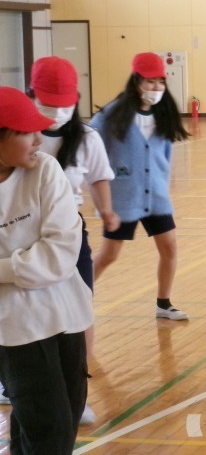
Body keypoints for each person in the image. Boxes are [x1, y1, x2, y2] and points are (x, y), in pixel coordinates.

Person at [0, 86, 94, 454]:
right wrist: (26, 263)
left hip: (65, 314)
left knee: (63, 421)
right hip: (14, 329)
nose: (39, 140)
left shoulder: (45, 170)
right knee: (48, 432)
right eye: (26, 132)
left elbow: (60, 255)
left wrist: (4, 268)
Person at [29, 55, 121, 425]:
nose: (56, 111)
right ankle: (12, 382)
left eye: (63, 104)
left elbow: (99, 176)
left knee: (79, 309)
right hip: (22, 234)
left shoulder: (86, 138)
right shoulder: (17, 134)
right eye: (48, 103)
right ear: (32, 94)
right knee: (22, 312)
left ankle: (77, 393)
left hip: (68, 233)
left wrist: (106, 210)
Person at [89, 52, 190, 320]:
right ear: (136, 81)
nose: (156, 88)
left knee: (169, 248)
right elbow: (90, 145)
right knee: (109, 254)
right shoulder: (111, 115)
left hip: (156, 196)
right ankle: (79, 297)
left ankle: (164, 304)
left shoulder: (164, 114)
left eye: (160, 82)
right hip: (123, 198)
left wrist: (163, 184)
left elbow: (165, 154)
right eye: (150, 81)